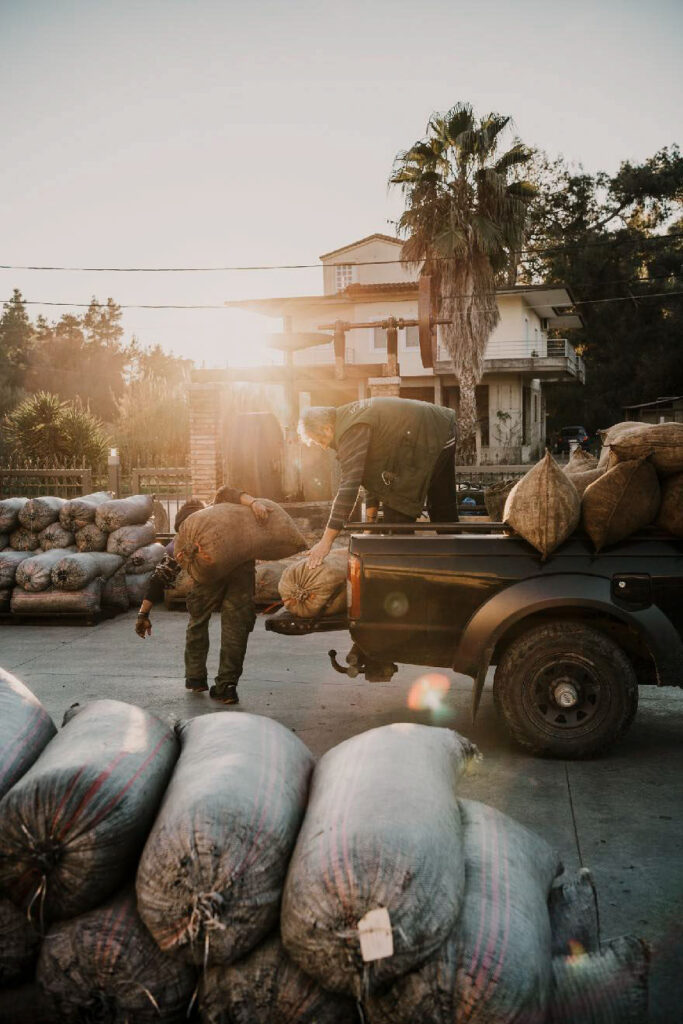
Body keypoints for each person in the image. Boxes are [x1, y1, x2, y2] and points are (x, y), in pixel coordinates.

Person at [135, 486, 269, 705]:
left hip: (211, 576)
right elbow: (229, 490)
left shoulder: (182, 541)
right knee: (235, 626)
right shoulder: (221, 512)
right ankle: (227, 687)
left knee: (198, 622)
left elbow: (160, 577)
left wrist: (143, 614)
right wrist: (253, 502)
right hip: (241, 573)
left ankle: (196, 678)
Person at [299, 396, 458, 567]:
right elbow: (371, 478)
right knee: (442, 505)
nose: (324, 446)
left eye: (321, 441)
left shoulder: (350, 430)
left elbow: (349, 486)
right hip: (441, 426)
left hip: (429, 434)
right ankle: (460, 559)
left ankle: (406, 574)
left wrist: (326, 541)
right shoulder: (349, 418)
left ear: (327, 428)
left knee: (397, 512)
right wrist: (369, 527)